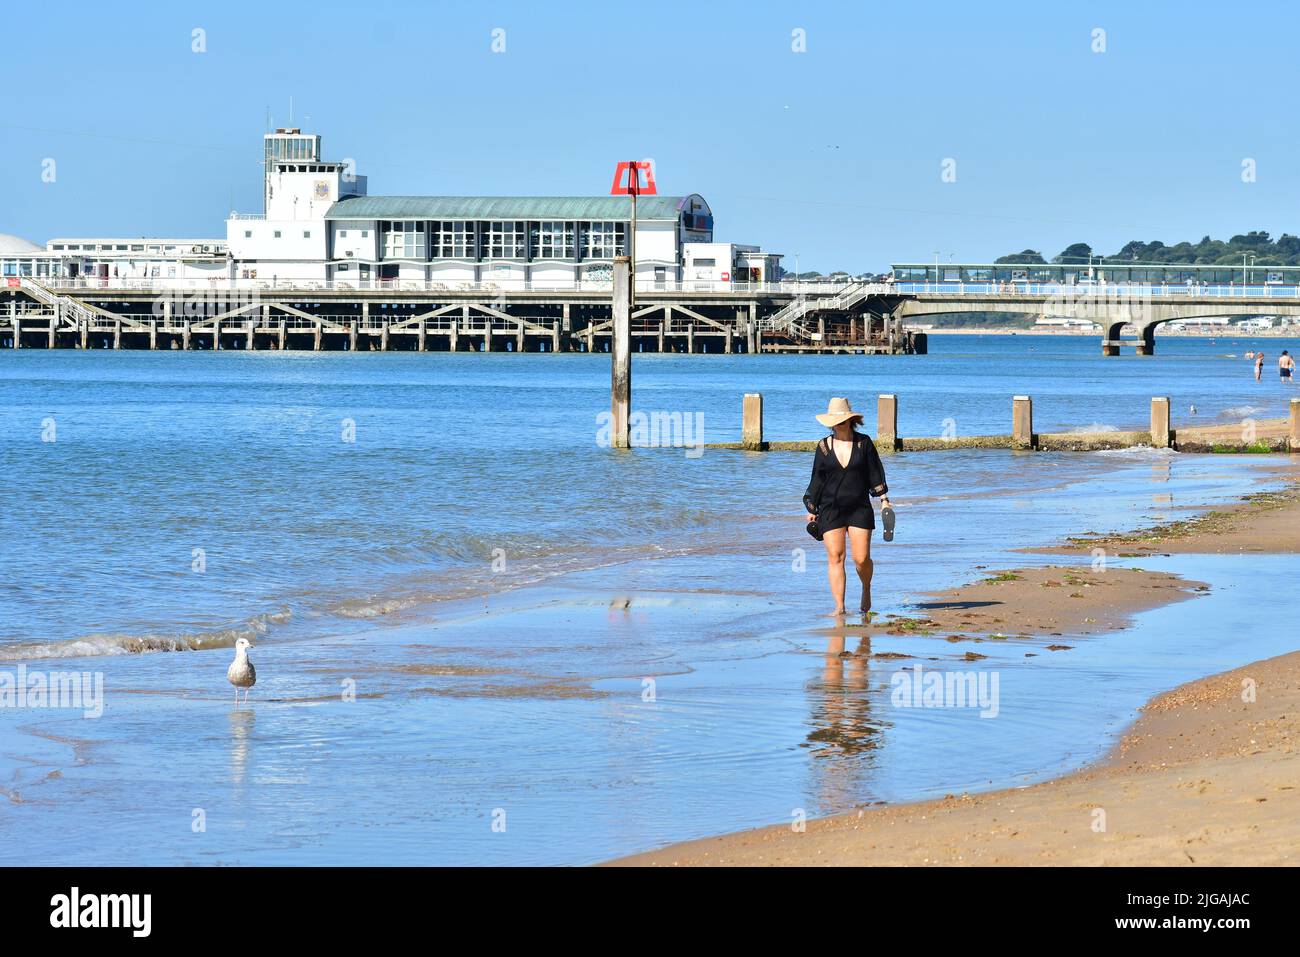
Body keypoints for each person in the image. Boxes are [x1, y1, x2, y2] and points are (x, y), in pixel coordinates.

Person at [804, 397, 892, 617]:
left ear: (850, 421)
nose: (837, 424)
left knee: (861, 559)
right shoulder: (823, 447)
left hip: (859, 507)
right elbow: (817, 479)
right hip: (830, 508)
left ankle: (866, 587)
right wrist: (811, 508)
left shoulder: (864, 443)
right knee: (836, 556)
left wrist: (884, 501)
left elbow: (875, 474)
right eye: (834, 421)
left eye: (842, 420)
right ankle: (839, 607)